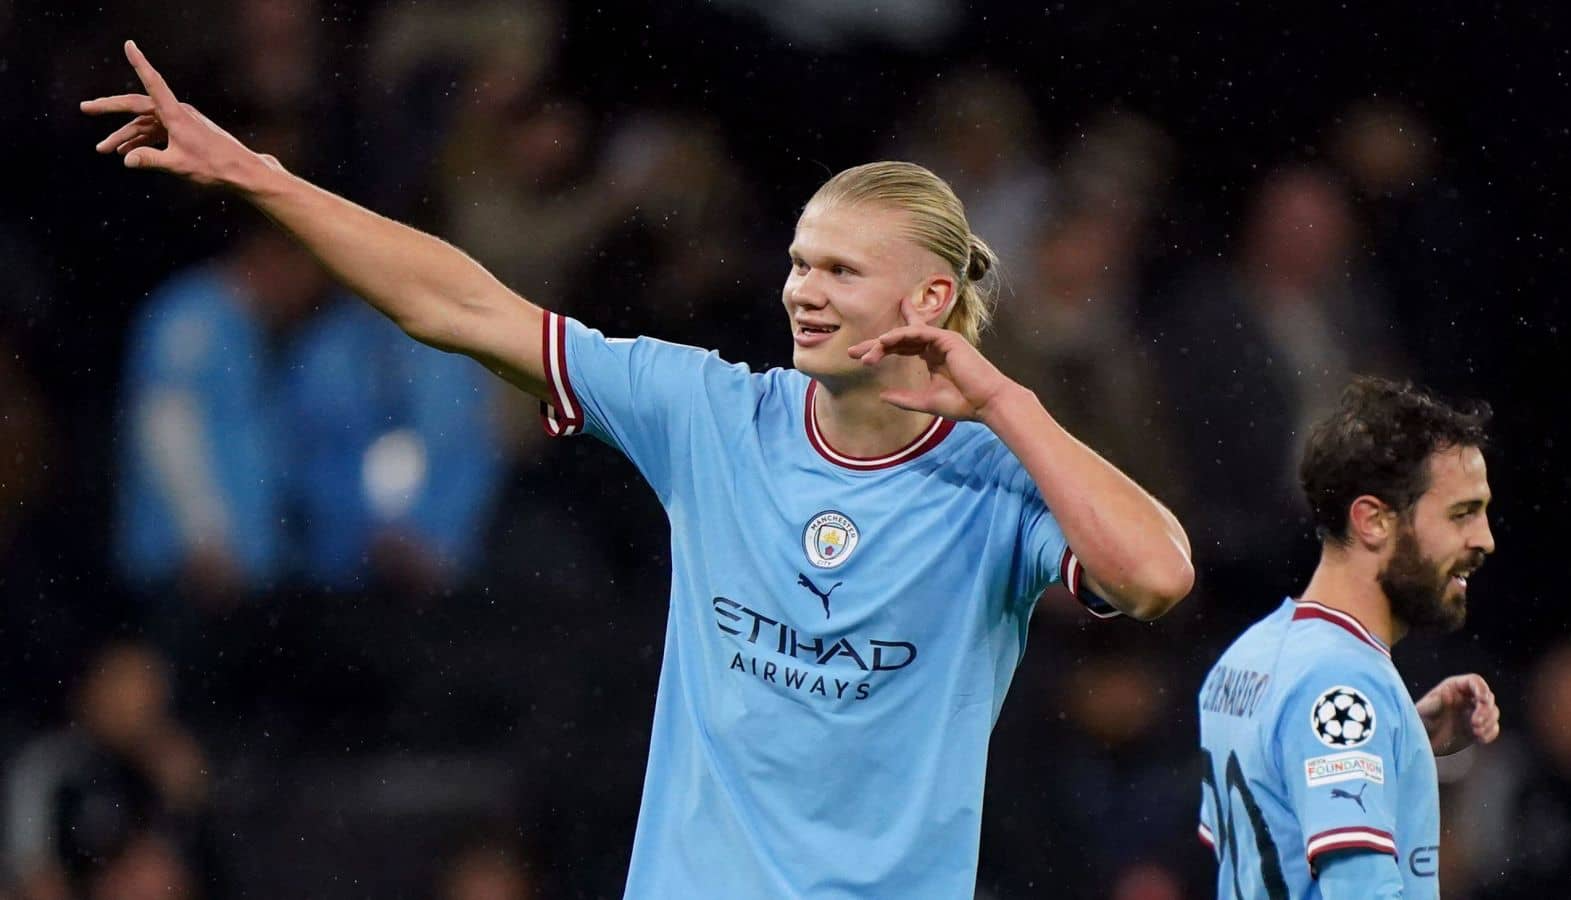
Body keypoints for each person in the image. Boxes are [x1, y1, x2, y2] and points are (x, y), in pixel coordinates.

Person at [83, 41, 1194, 898]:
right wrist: (258, 175)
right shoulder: (709, 411)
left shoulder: (992, 480)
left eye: (840, 269)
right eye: (800, 260)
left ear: (927, 302)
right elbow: (462, 306)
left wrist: (1003, 402)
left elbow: (1153, 574)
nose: (801, 289)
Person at [1196, 376, 1502, 899]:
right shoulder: (1340, 682)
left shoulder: (1247, 657)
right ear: (1373, 521)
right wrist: (1368, 717)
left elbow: (1276, 838)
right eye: (1462, 514)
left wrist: (1399, 734)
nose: (1485, 539)